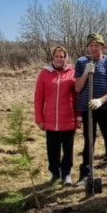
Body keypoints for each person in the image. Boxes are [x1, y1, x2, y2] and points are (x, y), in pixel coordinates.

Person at [74, 33, 107, 188]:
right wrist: (86, 73)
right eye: (91, 45)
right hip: (87, 107)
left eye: (97, 45)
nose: (94, 48)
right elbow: (77, 87)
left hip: (106, 108)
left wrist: (101, 100)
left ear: (102, 47)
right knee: (89, 140)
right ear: (88, 47)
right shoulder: (81, 62)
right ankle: (85, 174)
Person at [34, 45, 79, 186]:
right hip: (50, 120)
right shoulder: (44, 73)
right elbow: (38, 97)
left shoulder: (73, 73)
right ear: (52, 57)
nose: (59, 59)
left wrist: (79, 117)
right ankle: (55, 173)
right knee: (52, 149)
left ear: (66, 58)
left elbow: (78, 96)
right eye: (57, 56)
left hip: (68, 119)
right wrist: (39, 119)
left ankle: (66, 174)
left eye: (62, 56)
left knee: (67, 149)